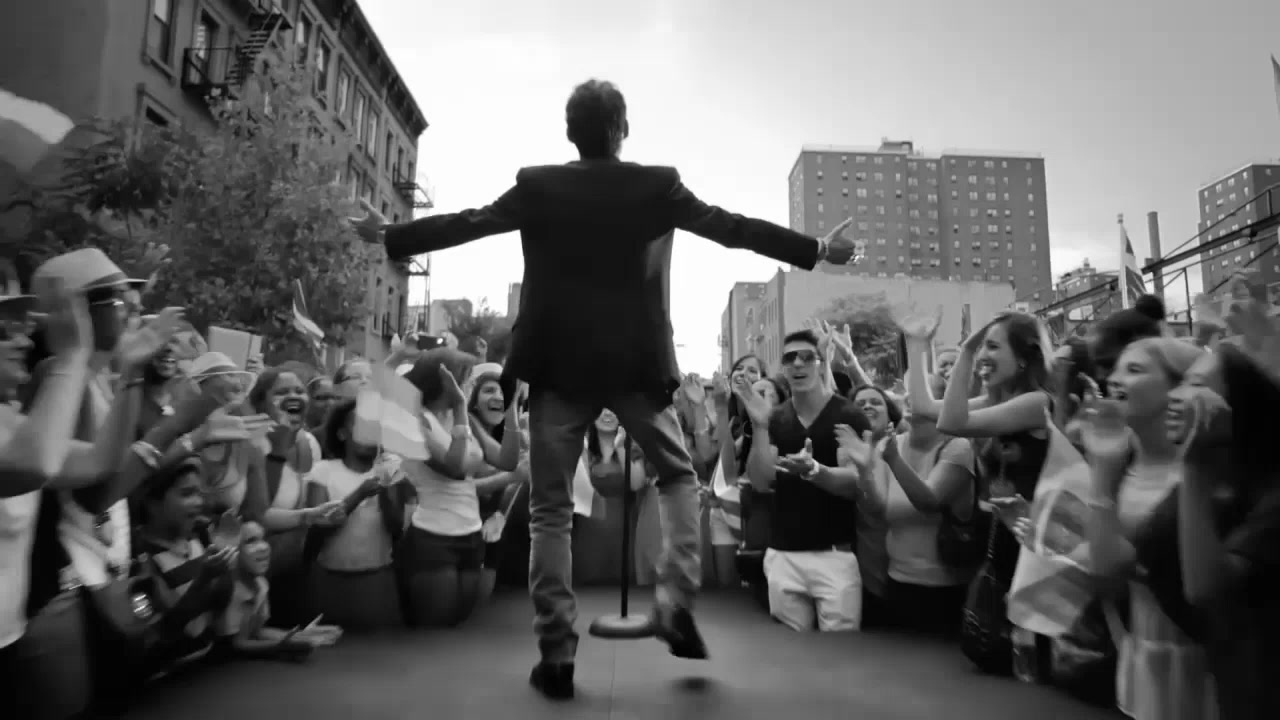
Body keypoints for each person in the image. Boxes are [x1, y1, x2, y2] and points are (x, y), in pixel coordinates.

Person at [350, 78, 856, 699]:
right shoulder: (657, 184)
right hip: (636, 364)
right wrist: (817, 248)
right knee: (677, 476)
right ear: (623, 130)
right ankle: (674, 600)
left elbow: (471, 223)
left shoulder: (538, 184)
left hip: (558, 365)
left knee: (550, 510)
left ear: (570, 133)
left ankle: (557, 653)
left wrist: (392, 235)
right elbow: (732, 227)